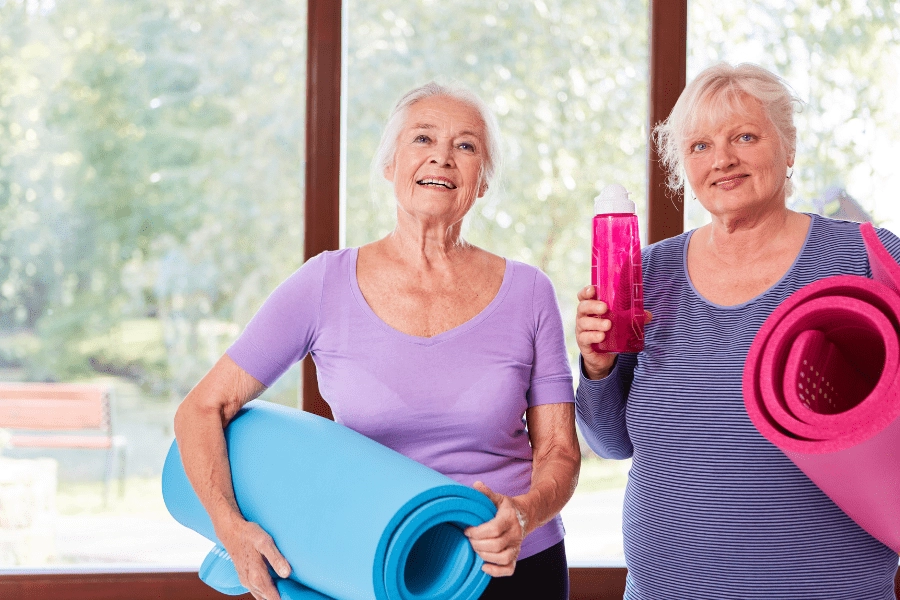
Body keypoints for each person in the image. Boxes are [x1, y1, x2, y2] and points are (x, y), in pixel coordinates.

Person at [174, 81, 581, 600]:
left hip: (514, 565)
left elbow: (559, 450)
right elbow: (201, 409)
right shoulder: (324, 285)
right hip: (382, 566)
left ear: (483, 182)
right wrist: (232, 530)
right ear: (390, 165)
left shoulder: (529, 292)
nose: (442, 158)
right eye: (422, 139)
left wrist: (524, 514)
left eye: (466, 146)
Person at [575, 62, 900, 599]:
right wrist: (597, 365)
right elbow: (609, 442)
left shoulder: (866, 255)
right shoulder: (645, 274)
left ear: (788, 147)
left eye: (744, 136)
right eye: (700, 146)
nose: (722, 159)